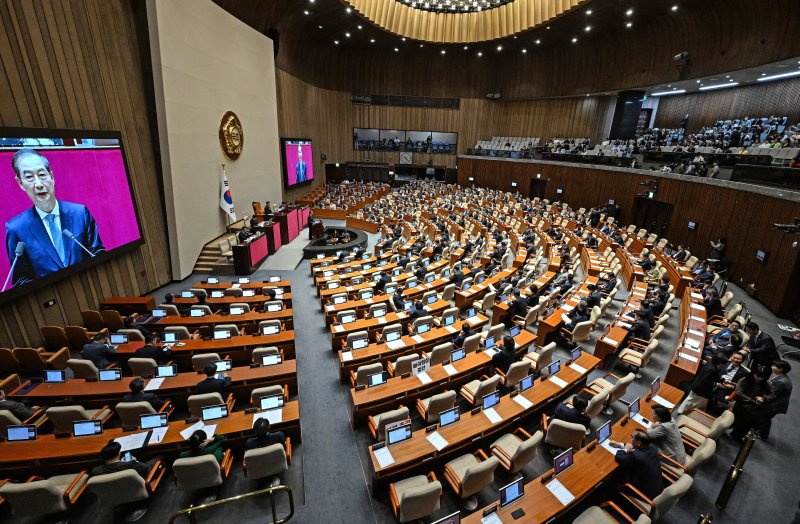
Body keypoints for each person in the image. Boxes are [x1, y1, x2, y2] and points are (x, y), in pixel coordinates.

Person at [5, 148, 105, 287]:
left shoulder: (80, 213)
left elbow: (99, 255)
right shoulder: (16, 229)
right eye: (29, 177)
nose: (39, 184)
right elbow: (21, 280)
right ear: (20, 183)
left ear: (52, 177)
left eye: (42, 174)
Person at [610, 430, 664, 500]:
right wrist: (621, 445)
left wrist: (625, 450)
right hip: (658, 488)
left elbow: (619, 457)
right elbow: (634, 449)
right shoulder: (652, 447)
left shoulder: (637, 456)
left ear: (639, 443)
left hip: (645, 494)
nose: (630, 439)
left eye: (632, 438)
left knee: (616, 475)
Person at [730, 366, 774, 442]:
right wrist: (750, 400)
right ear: (754, 374)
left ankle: (739, 436)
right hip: (742, 403)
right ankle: (734, 433)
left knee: (748, 424)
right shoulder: (745, 380)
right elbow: (739, 392)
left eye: (762, 377)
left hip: (754, 407)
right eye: (758, 376)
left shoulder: (766, 382)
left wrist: (763, 398)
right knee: (736, 420)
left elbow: (772, 394)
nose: (759, 379)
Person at [756, 360, 793, 440]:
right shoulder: (780, 376)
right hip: (776, 401)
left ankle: (762, 435)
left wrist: (762, 398)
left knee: (766, 417)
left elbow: (773, 394)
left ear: (781, 369)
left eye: (774, 366)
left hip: (776, 404)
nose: (772, 367)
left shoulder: (781, 382)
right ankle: (759, 430)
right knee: (765, 416)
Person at [91, 440, 160, 479]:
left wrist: (122, 463)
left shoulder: (96, 471)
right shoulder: (131, 464)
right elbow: (146, 469)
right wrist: (135, 461)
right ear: (118, 454)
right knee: (160, 457)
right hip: (142, 479)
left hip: (118, 491)